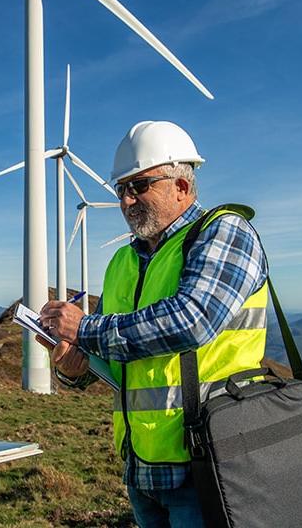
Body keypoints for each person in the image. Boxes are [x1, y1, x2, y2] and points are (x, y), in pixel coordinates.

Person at [40, 121, 269, 528]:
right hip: (141, 466)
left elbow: (192, 319)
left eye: (140, 186)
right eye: (121, 190)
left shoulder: (223, 231)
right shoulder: (121, 263)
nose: (127, 201)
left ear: (181, 185)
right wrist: (75, 366)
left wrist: (85, 330)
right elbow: (117, 359)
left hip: (208, 464)